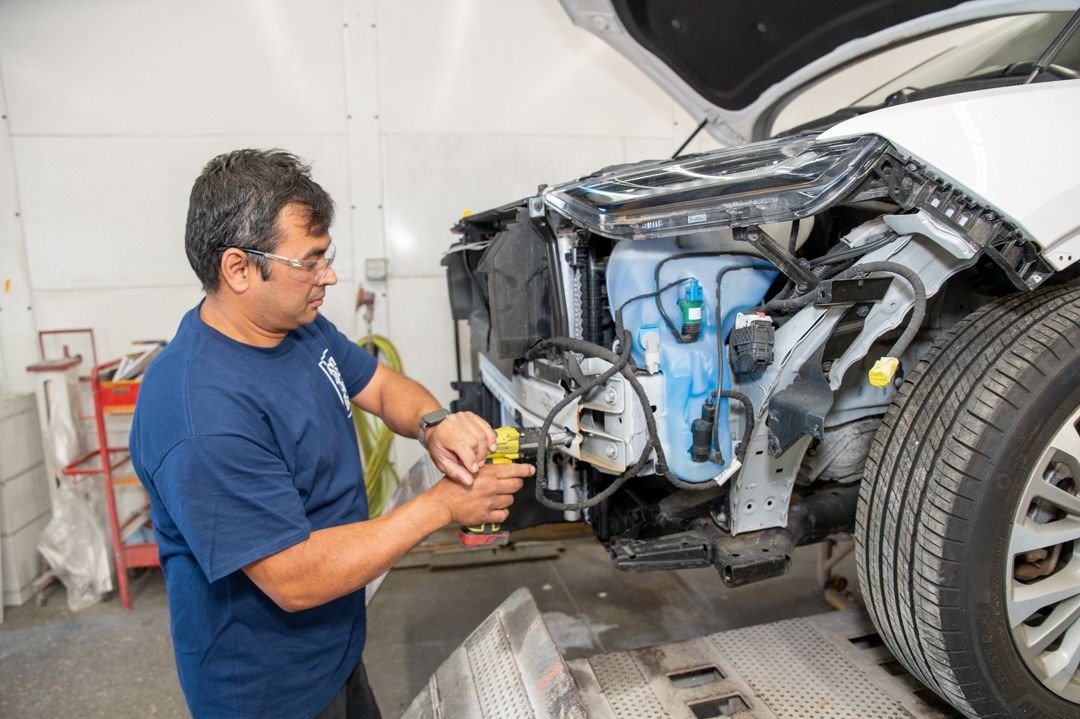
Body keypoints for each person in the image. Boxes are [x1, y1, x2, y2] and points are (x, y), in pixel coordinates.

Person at [129, 148, 530, 719]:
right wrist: (444, 505)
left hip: (334, 648)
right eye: (310, 261)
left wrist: (433, 423)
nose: (330, 276)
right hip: (268, 692)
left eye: (328, 256)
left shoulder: (296, 327)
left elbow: (383, 385)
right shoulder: (200, 415)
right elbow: (293, 578)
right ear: (239, 268)